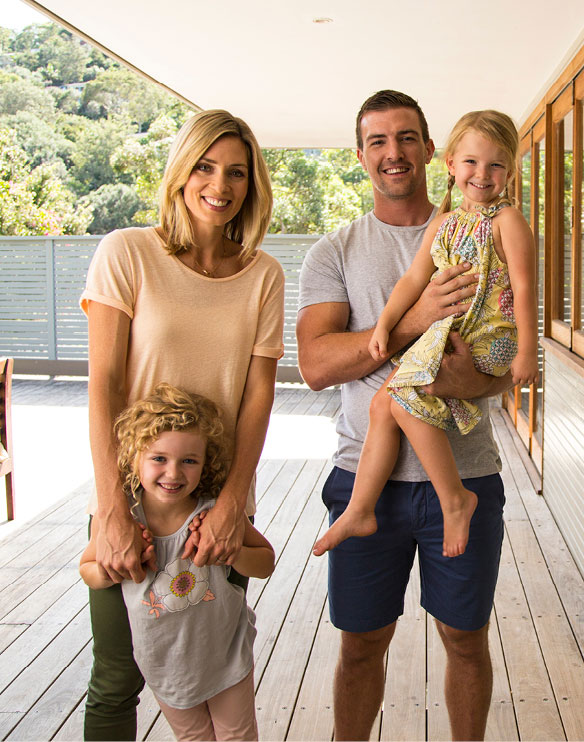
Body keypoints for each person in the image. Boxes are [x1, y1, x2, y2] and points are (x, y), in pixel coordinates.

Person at [297, 90, 514, 741]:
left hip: (466, 478)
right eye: (377, 141)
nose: (393, 153)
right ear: (361, 154)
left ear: (430, 149)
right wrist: (414, 321)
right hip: (366, 481)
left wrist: (460, 376)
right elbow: (317, 364)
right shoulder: (332, 253)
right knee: (361, 645)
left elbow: (494, 367)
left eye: (405, 138)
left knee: (465, 640)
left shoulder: (480, 232)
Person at [81, 109, 284, 740]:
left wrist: (230, 505)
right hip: (138, 499)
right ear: (179, 172)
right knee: (118, 677)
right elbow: (105, 385)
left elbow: (258, 397)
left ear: (252, 185)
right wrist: (113, 508)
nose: (219, 184)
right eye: (204, 166)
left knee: (215, 671)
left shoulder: (263, 275)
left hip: (215, 510)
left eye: (236, 172)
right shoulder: (127, 252)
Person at [312, 110, 537, 559]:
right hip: (459, 331)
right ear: (451, 163)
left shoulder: (507, 221)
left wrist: (528, 350)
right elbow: (413, 281)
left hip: (486, 336)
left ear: (510, 173)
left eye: (495, 166)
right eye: (472, 162)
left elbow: (526, 284)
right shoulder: (445, 223)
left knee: (397, 400)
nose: (482, 174)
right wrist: (383, 324)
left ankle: (454, 499)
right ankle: (360, 508)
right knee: (383, 404)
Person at [79, 384, 275, 741]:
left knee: (237, 736)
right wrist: (116, 568)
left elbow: (265, 563)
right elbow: (88, 569)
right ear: (133, 456)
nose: (173, 473)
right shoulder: (123, 520)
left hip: (224, 657)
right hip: (163, 663)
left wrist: (233, 553)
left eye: (189, 461)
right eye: (159, 459)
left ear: (206, 463)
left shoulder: (214, 514)